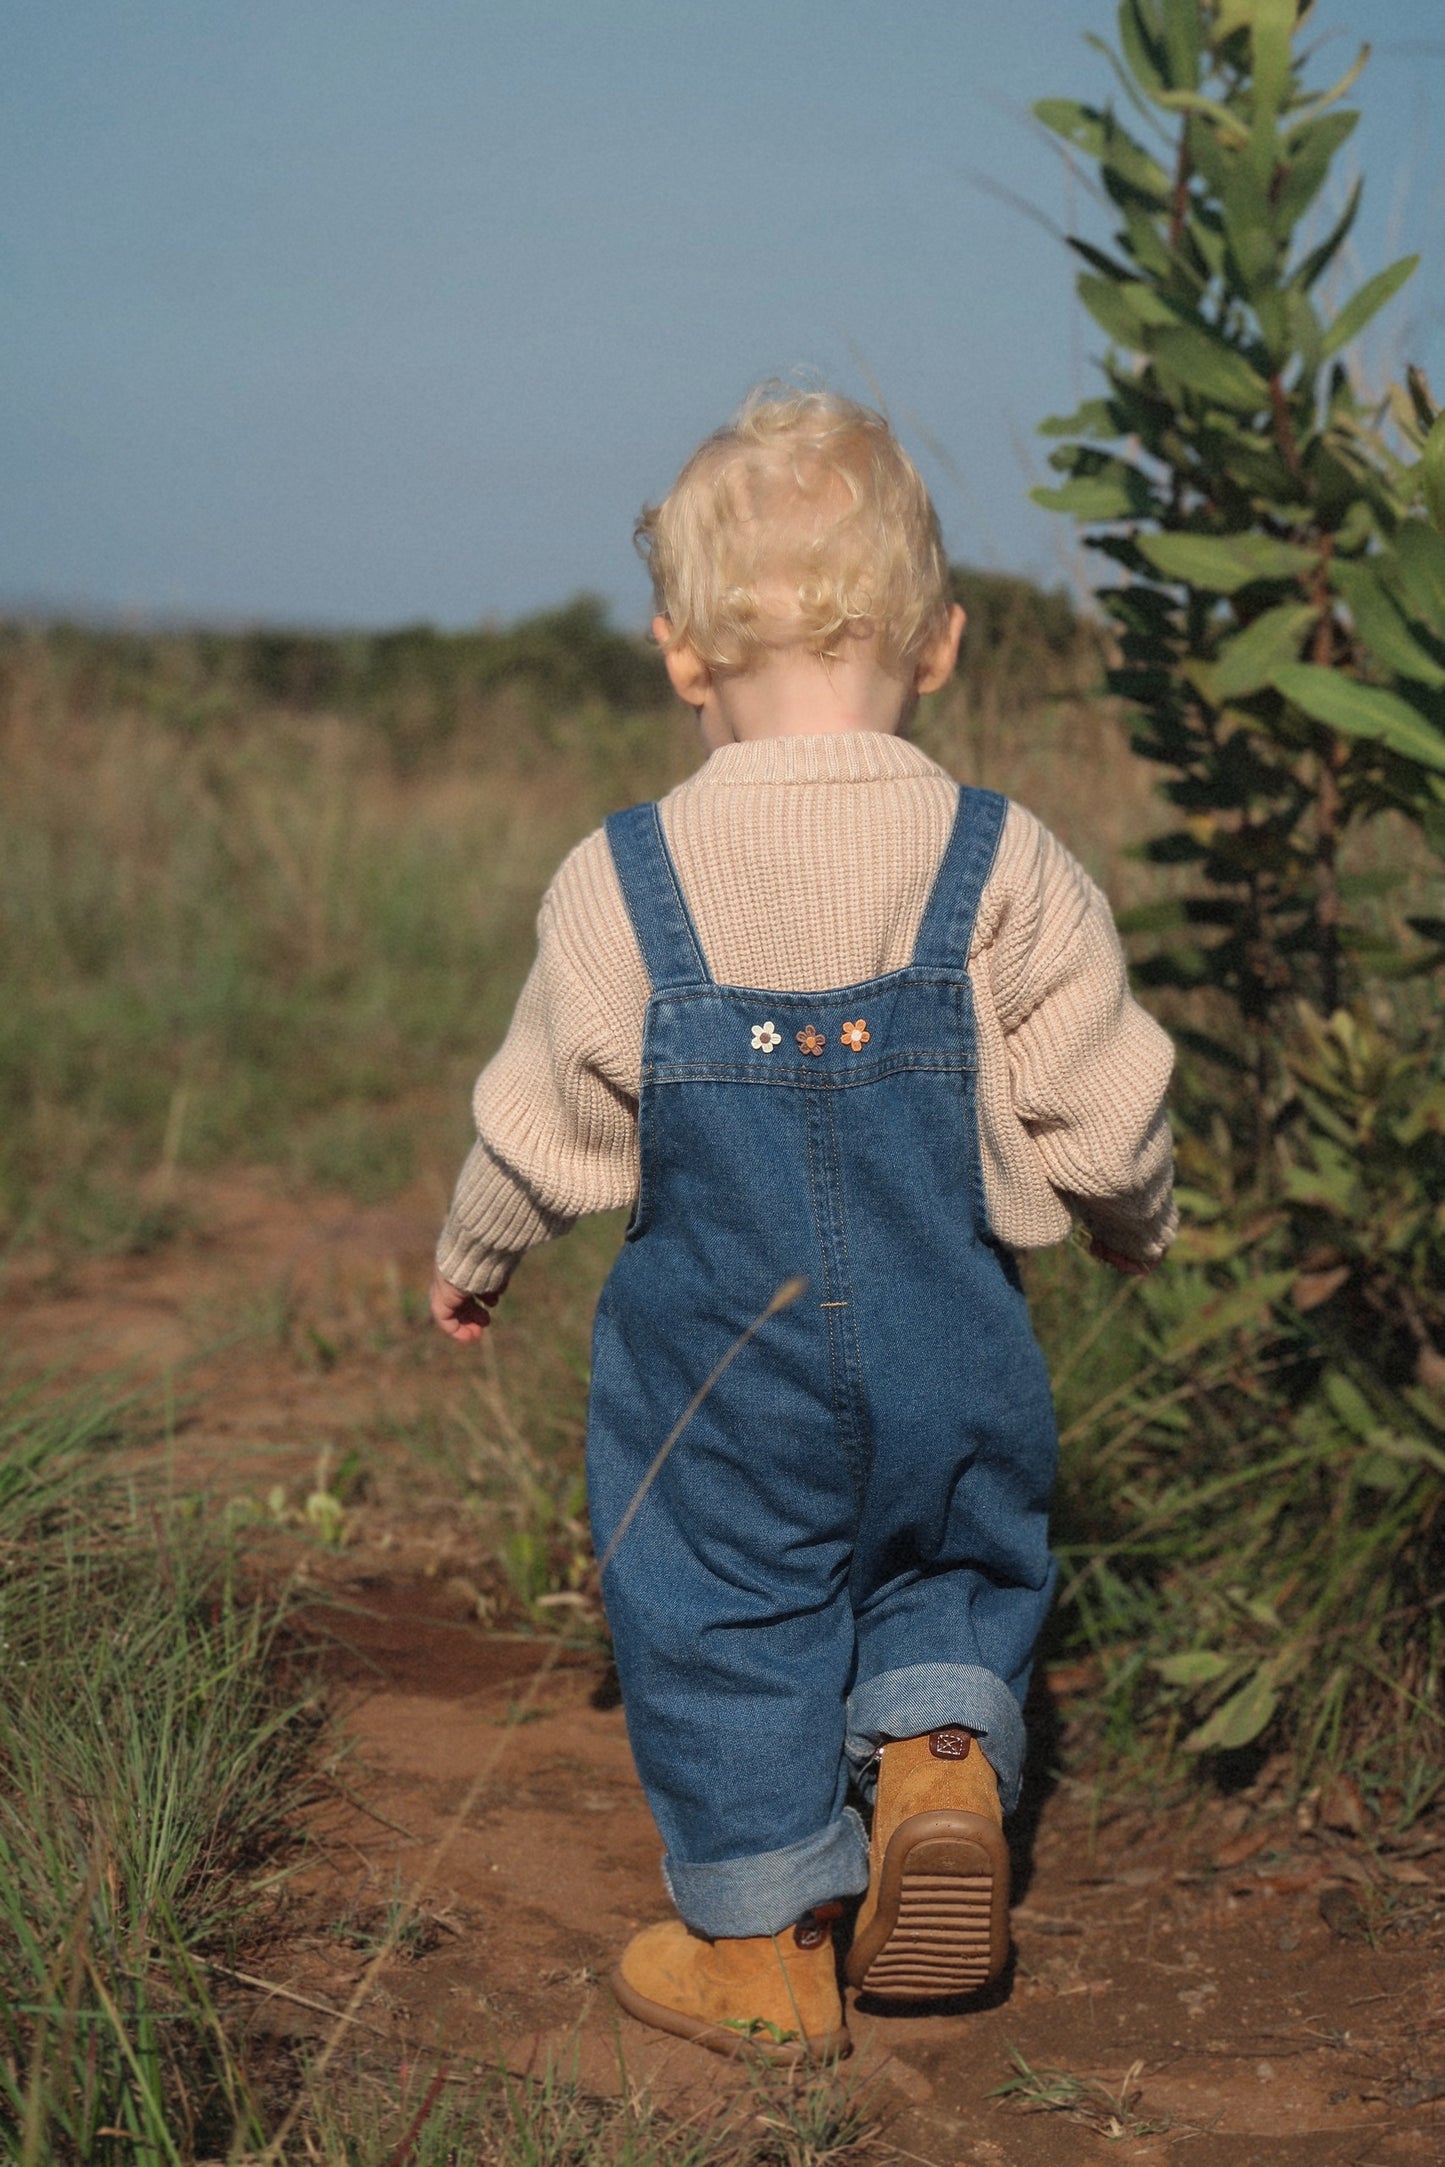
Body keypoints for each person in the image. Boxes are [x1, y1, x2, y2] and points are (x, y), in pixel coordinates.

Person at [431, 387, 1176, 2063]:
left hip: (722, 1366)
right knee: (949, 1554)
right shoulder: (1003, 860)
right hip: (950, 1336)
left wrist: (474, 1252)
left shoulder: (623, 878)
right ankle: (934, 1762)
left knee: (712, 1606)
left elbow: (543, 1115)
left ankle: (765, 1942)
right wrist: (1130, 1220)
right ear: (939, 646)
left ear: (682, 656)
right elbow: (1103, 1102)